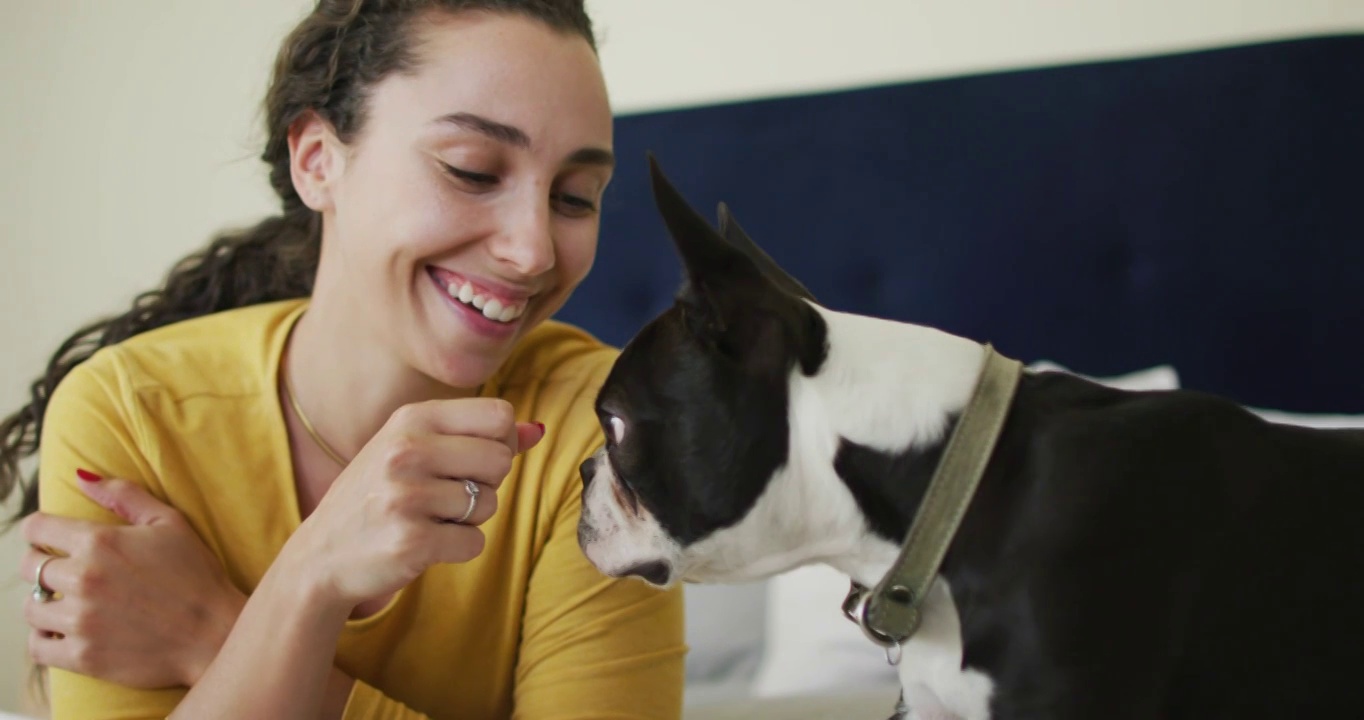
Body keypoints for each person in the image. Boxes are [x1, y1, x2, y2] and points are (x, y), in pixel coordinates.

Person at [0, 1, 686, 718]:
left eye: (574, 198)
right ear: (318, 161)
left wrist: (228, 630)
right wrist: (312, 580)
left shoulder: (609, 430)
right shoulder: (130, 412)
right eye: (473, 171)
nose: (534, 250)